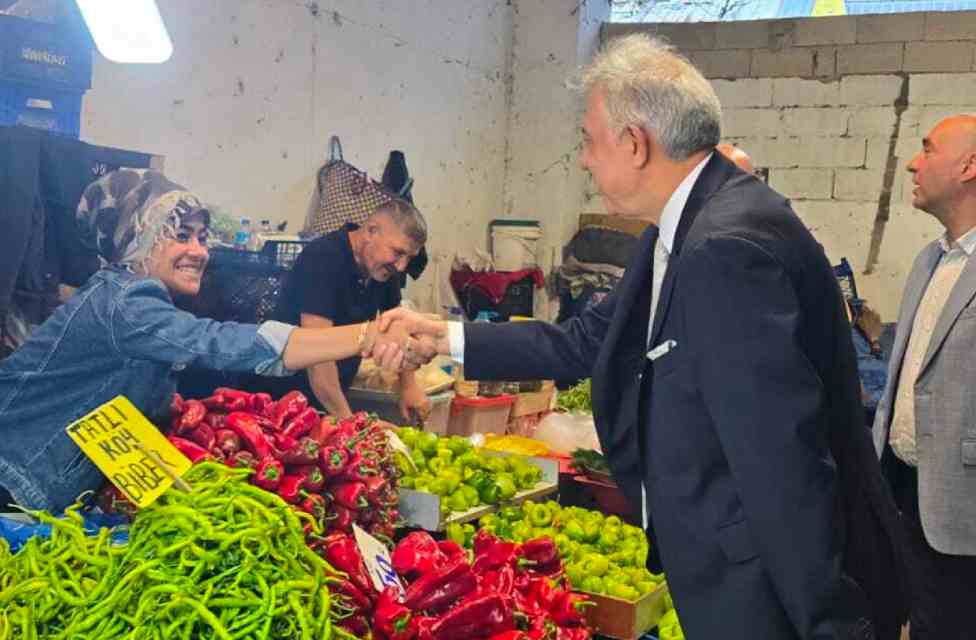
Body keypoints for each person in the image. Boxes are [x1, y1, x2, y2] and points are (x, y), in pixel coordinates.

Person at [376, 34, 909, 640]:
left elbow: (781, 458)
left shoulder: (724, 247)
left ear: (634, 144)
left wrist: (831, 624)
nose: (582, 159)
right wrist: (443, 336)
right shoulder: (678, 231)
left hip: (756, 584)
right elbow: (584, 342)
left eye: (587, 140)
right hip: (719, 563)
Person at [0, 169, 409, 518]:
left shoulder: (144, 305)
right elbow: (222, 344)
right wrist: (364, 335)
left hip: (6, 484)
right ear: (137, 240)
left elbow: (123, 420)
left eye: (202, 236)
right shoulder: (123, 303)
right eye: (180, 235)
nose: (199, 250)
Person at [873, 115, 976, 640]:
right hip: (902, 489)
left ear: (968, 166)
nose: (914, 162)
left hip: (963, 508)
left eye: (928, 149)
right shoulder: (928, 261)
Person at [249, 199, 429, 422]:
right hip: (283, 401)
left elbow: (396, 328)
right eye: (398, 252)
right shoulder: (323, 258)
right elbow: (317, 356)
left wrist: (409, 386)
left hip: (329, 400)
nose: (401, 266)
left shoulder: (384, 269)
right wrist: (348, 421)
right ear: (371, 231)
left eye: (409, 257)